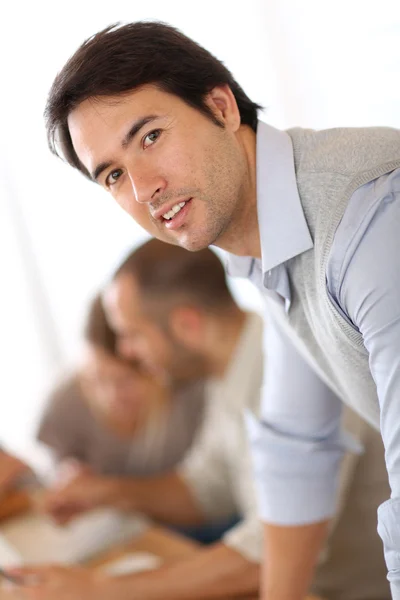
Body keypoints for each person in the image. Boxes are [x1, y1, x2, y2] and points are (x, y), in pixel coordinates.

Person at [38, 21, 400, 599]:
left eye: (150, 137)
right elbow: (295, 454)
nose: (144, 187)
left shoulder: (372, 216)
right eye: (112, 175)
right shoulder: (274, 246)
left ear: (221, 106)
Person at [4, 241, 391, 600]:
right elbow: (205, 487)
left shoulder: (292, 368)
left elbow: (271, 549)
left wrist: (102, 589)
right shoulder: (229, 370)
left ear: (186, 324)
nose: (126, 352)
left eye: (132, 334)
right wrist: (109, 492)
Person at [38, 293, 205, 490]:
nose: (111, 396)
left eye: (125, 380)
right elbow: (49, 473)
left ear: (154, 367)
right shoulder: (65, 404)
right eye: (97, 379)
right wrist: (64, 476)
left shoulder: (191, 387)